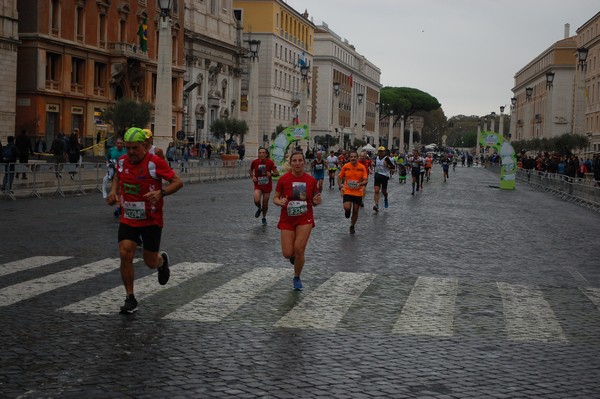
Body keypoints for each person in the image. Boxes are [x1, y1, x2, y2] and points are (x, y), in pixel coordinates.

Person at [106, 127, 184, 314]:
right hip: (128, 218)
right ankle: (130, 298)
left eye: (135, 148)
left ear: (145, 145)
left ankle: (161, 262)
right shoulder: (123, 161)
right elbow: (118, 175)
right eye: (128, 148)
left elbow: (178, 182)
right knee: (125, 253)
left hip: (151, 219)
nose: (130, 152)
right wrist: (113, 191)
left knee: (150, 261)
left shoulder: (154, 162)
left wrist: (161, 192)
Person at [273, 151, 321, 290]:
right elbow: (275, 197)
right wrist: (279, 201)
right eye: (295, 160)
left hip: (304, 218)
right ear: (291, 163)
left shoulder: (311, 180)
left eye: (300, 160)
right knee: (288, 253)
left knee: (299, 249)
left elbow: (315, 199)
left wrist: (317, 201)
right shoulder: (284, 179)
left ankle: (297, 276)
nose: (298, 163)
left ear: (304, 163)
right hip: (287, 218)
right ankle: (295, 258)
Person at [338, 150, 368, 234]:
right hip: (347, 190)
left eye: (355, 157)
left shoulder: (362, 167)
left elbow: (366, 180)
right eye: (351, 157)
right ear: (349, 158)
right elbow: (339, 177)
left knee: (355, 211)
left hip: (358, 192)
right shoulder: (346, 166)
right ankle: (347, 211)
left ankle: (352, 226)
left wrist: (361, 183)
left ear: (357, 158)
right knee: (347, 207)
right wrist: (340, 186)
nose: (353, 158)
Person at [249, 147, 279, 225]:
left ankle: (263, 217)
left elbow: (277, 173)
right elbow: (250, 170)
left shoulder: (270, 162)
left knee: (265, 203)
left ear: (266, 154)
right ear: (258, 154)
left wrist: (271, 174)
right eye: (260, 153)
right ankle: (259, 208)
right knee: (256, 200)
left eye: (263, 153)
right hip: (258, 185)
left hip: (267, 186)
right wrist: (253, 176)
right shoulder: (255, 162)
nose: (261, 154)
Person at [102, 137, 126, 210]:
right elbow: (107, 158)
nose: (119, 145)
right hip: (113, 171)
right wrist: (108, 163)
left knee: (122, 189)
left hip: (123, 172)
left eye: (121, 143)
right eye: (118, 143)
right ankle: (104, 192)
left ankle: (121, 205)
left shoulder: (126, 151)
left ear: (123, 144)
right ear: (116, 143)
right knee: (106, 180)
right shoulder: (112, 150)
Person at [372, 146, 395, 211]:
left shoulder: (386, 159)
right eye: (380, 151)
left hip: (384, 176)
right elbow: (375, 164)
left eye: (382, 151)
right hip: (377, 175)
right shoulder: (376, 158)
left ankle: (386, 198)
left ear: (384, 152)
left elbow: (393, 167)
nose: (381, 152)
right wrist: (373, 164)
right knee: (376, 191)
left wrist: (387, 165)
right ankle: (376, 204)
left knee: (383, 191)